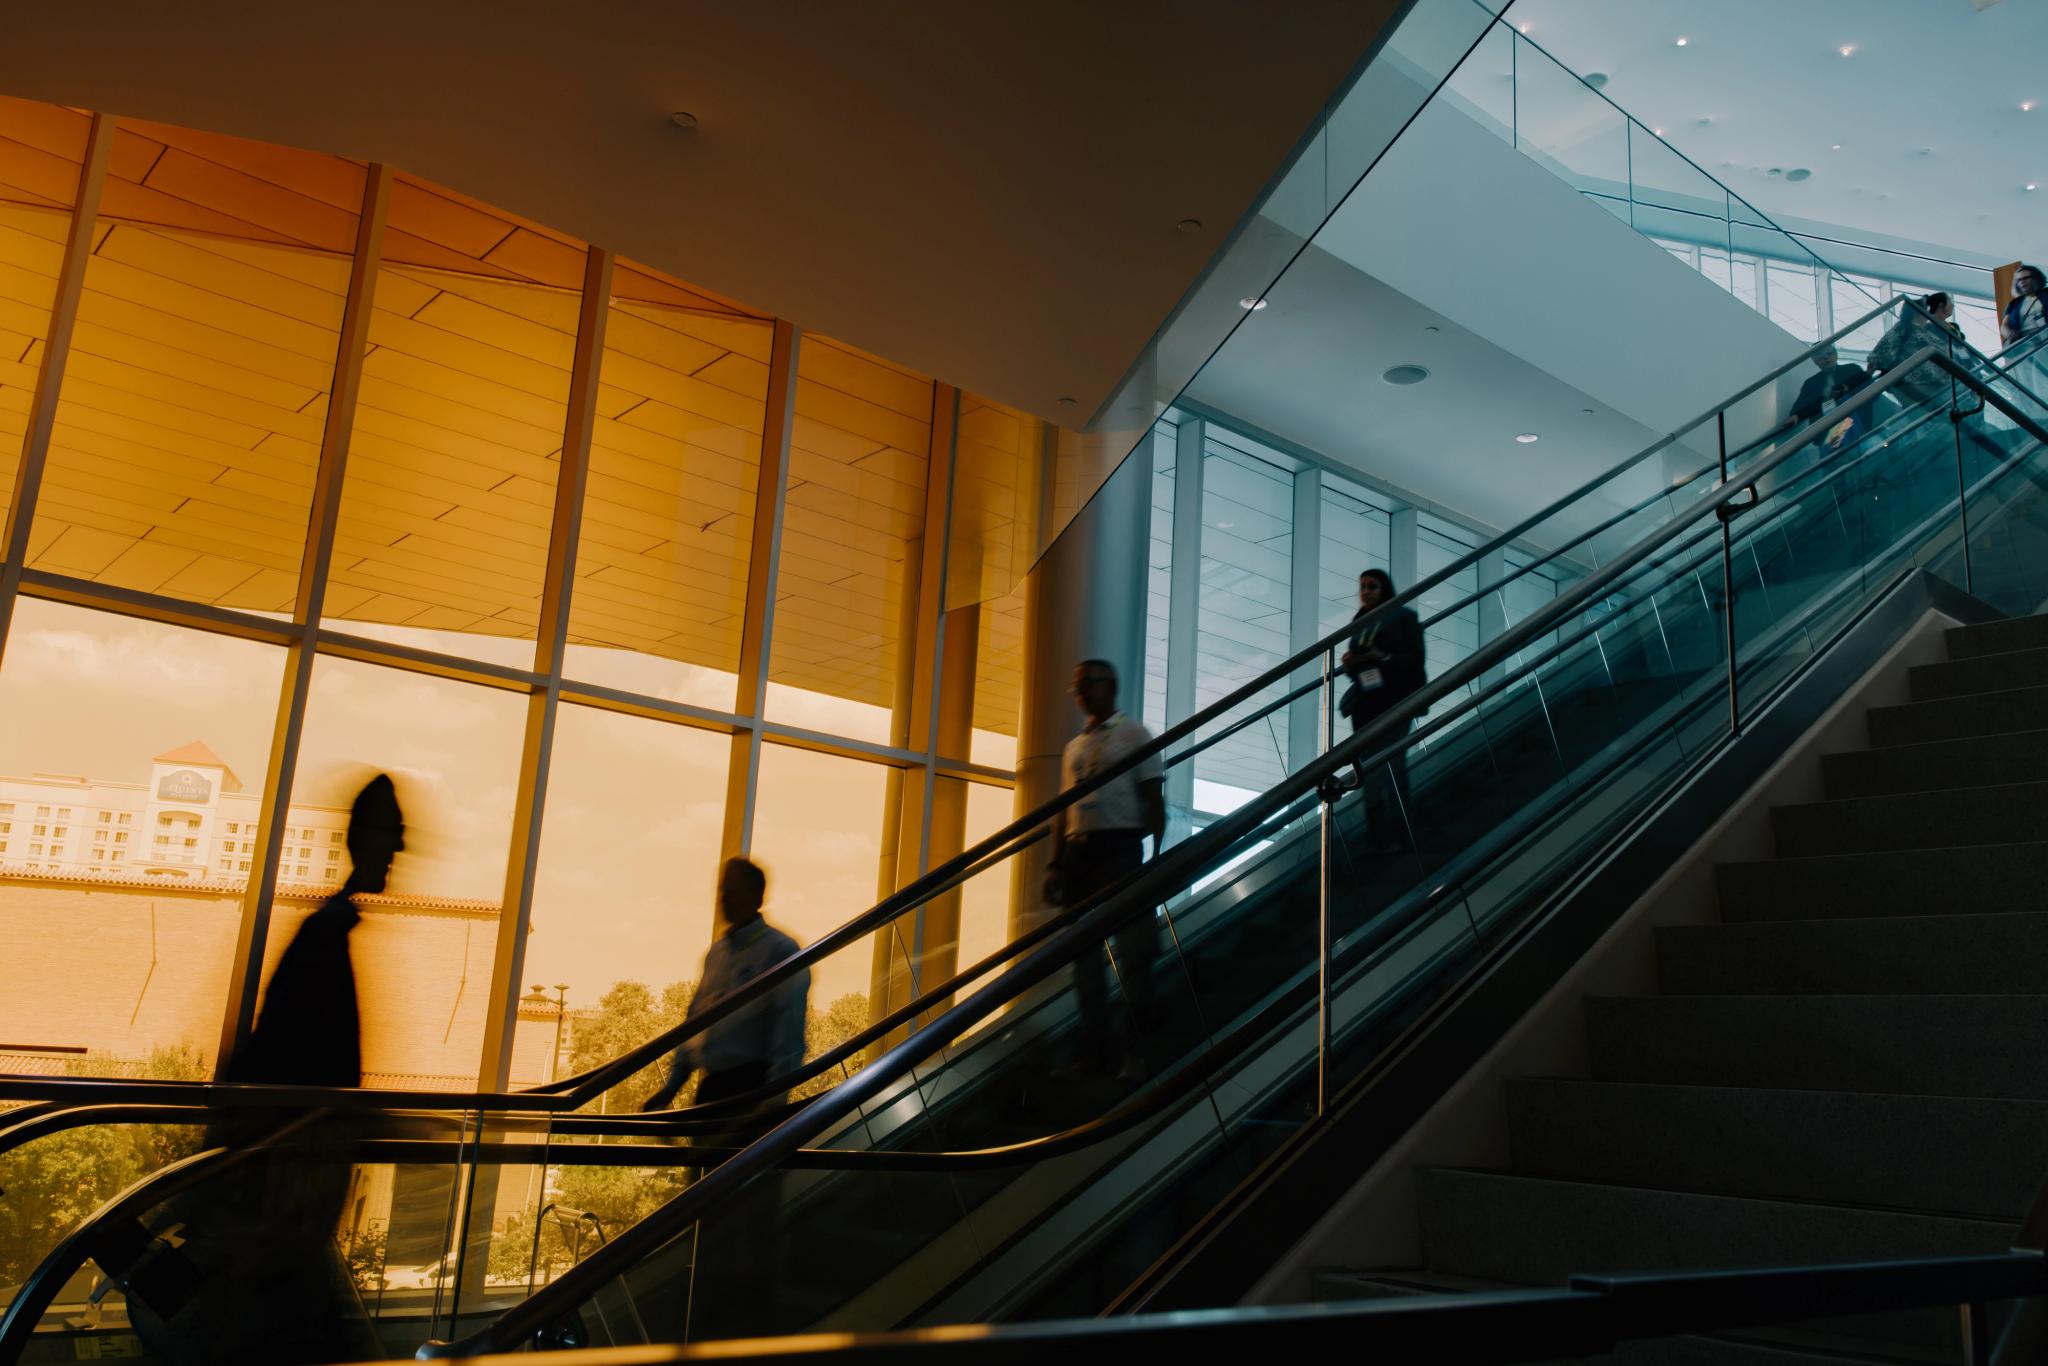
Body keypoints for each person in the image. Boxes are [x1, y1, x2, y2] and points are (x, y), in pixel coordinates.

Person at [127, 774, 405, 1365]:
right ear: (363, 837)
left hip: (275, 1214)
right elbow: (291, 1070)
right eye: (391, 832)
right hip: (278, 1219)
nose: (400, 849)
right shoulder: (325, 938)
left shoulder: (325, 932)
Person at [1044, 659, 1167, 1071]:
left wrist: (1156, 857)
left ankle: (1138, 1042)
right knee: (1083, 953)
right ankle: (1096, 1042)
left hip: (1120, 847)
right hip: (1080, 852)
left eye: (1087, 683)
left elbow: (1154, 797)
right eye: (1075, 686)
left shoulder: (1134, 734)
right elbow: (1063, 808)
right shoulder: (1074, 747)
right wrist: (1055, 863)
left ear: (1110, 685)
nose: (1079, 692)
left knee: (1131, 950)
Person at [642, 857, 809, 1114]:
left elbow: (787, 1032)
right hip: (712, 1089)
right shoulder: (717, 953)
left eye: (732, 890)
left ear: (757, 896)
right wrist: (672, 1086)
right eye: (723, 889)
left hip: (752, 1089)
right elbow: (695, 1021)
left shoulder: (780, 951)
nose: (724, 898)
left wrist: (773, 1099)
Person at [1337, 569, 1427, 853]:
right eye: (1362, 586)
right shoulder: (1360, 622)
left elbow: (1414, 661)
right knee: (1369, 771)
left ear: (1384, 589)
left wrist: (1383, 657)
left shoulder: (1403, 618)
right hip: (1366, 704)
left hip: (1395, 701)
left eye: (1372, 586)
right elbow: (1360, 672)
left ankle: (1401, 833)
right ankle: (1377, 836)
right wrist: (1351, 663)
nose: (1365, 592)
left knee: (1392, 766)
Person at [1868, 291, 1966, 406]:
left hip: (1935, 383)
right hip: (1912, 383)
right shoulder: (1904, 327)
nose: (1928, 311)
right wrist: (1867, 379)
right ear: (1918, 312)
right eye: (1926, 308)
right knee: (1925, 412)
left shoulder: (1926, 331)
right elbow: (1881, 349)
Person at [1787, 344, 1873, 451]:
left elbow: (1871, 392)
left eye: (1829, 354)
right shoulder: (1811, 383)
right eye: (1821, 356)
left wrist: (1869, 374)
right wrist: (1796, 416)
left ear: (1836, 355)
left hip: (1854, 423)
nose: (1826, 358)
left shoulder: (1852, 370)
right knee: (1836, 457)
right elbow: (1800, 407)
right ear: (1815, 361)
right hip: (1826, 429)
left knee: (1849, 454)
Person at [2001, 264, 2046, 349]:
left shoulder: (2046, 294)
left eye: (2025, 278)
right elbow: (2004, 326)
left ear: (2036, 278)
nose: (2022, 282)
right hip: (2025, 342)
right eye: (2018, 280)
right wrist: (2009, 333)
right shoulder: (2015, 303)